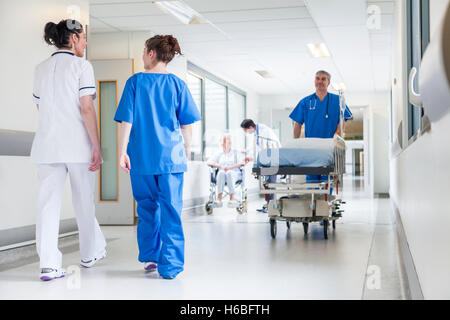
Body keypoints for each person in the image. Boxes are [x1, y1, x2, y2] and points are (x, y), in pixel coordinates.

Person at [114, 35, 201, 280]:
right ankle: (170, 265)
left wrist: (122, 153)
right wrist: (185, 151)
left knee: (147, 208)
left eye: (144, 51)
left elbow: (126, 121)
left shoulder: (135, 82)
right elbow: (186, 125)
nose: (142, 56)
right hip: (171, 159)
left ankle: (151, 256)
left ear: (152, 53)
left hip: (141, 157)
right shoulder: (177, 85)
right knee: (171, 210)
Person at [31, 19, 106, 281]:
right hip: (77, 145)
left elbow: (41, 109)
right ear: (73, 38)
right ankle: (89, 253)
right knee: (83, 201)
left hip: (47, 146)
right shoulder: (81, 66)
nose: (85, 43)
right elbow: (86, 108)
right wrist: (96, 146)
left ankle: (49, 265)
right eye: (84, 38)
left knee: (47, 205)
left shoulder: (40, 69)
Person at [290, 70, 353, 182]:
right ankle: (313, 199)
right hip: (311, 146)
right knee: (311, 179)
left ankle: (325, 199)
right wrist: (296, 143)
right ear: (314, 81)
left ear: (328, 82)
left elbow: (343, 120)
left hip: (329, 146)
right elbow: (297, 124)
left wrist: (337, 136)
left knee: (327, 180)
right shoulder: (306, 101)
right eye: (317, 78)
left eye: (323, 79)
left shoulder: (338, 100)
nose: (320, 81)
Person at [241, 119, 281, 213]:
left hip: (272, 159)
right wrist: (247, 153)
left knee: (270, 183)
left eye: (246, 131)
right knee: (267, 184)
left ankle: (272, 206)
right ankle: (268, 205)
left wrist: (253, 158)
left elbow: (264, 147)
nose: (247, 133)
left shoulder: (264, 131)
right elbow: (255, 147)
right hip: (266, 160)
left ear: (250, 127)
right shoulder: (256, 132)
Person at [207, 134, 245, 208]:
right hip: (222, 174)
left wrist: (230, 167)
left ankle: (232, 198)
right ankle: (219, 198)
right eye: (225, 140)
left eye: (228, 140)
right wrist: (220, 166)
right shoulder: (218, 153)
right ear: (221, 143)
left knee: (229, 173)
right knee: (221, 172)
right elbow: (209, 162)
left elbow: (242, 162)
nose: (227, 142)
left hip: (234, 173)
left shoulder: (235, 152)